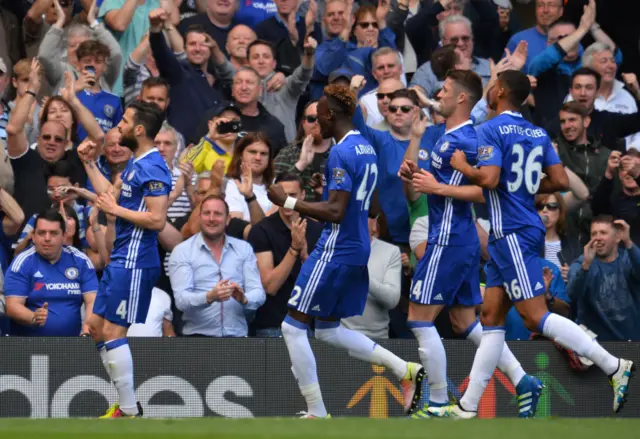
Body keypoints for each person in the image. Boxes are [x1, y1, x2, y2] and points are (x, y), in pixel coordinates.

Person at [427, 70, 634, 419]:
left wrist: (464, 165)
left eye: (493, 85)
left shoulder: (489, 129)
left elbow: (489, 179)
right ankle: (467, 407)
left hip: (513, 232)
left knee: (536, 317)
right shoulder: (537, 132)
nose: (488, 90)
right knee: (491, 317)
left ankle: (613, 365)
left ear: (502, 91)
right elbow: (557, 179)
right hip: (510, 231)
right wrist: (521, 187)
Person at [266, 83, 424, 419]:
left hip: (335, 249)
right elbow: (373, 204)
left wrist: (289, 201)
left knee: (292, 328)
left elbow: (337, 212)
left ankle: (317, 411)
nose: (315, 122)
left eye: (318, 114)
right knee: (327, 329)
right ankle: (404, 368)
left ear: (331, 114)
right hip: (357, 248)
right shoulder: (366, 147)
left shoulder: (340, 152)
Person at [403, 70, 539, 418]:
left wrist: (438, 188)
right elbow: (432, 185)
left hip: (448, 239)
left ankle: (435, 403)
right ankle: (523, 380)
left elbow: (485, 188)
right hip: (455, 238)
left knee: (419, 319)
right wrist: (417, 177)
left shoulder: (468, 139)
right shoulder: (446, 134)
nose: (440, 94)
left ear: (462, 98)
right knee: (466, 322)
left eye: (446, 90)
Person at [80, 101, 172, 418]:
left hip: (135, 261)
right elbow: (110, 196)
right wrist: (89, 164)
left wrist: (116, 212)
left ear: (139, 130)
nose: (118, 125)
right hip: (120, 258)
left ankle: (129, 411)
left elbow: (158, 220)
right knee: (93, 326)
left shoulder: (154, 167)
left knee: (113, 333)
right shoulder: (136, 162)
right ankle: (127, 406)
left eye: (124, 120)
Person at [168, 195, 266, 337]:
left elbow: (258, 292)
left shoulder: (244, 249)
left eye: (218, 214)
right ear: (200, 217)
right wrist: (209, 297)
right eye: (207, 213)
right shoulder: (182, 251)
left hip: (237, 336)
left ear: (228, 219)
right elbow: (181, 300)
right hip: (198, 338)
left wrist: (244, 299)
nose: (212, 219)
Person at [248, 174, 322, 337]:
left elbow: (323, 285)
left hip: (311, 325)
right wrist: (294, 250)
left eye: (292, 195)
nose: (286, 201)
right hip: (273, 325)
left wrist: (305, 258)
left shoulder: (318, 230)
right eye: (282, 196)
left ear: (303, 195)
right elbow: (270, 286)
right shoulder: (262, 230)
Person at [4, 209, 98, 336]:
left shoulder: (80, 260)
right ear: (33, 236)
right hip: (30, 346)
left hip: (71, 346)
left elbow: (92, 300)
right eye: (42, 233)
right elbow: (12, 306)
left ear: (64, 236)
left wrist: (87, 328)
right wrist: (33, 316)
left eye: (53, 233)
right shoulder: (22, 262)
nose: (47, 238)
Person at [567, 216, 640, 342]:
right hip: (596, 347)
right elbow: (572, 295)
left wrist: (628, 242)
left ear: (617, 238)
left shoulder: (629, 259)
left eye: (603, 233)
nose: (598, 237)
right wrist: (585, 266)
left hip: (632, 342)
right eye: (594, 233)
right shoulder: (581, 264)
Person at [341, 215, 401, 339]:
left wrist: (362, 274)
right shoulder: (336, 249)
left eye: (364, 214)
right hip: (339, 337)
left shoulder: (390, 251)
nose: (357, 217)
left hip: (377, 338)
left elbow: (392, 300)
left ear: (374, 222)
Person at [274, 100, 333, 201]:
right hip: (296, 215)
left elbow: (348, 195)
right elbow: (274, 192)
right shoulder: (287, 153)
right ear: (303, 123)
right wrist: (300, 165)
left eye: (322, 117)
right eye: (311, 118)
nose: (317, 122)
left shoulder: (342, 154)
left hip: (330, 215)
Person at [74, 39, 123, 140]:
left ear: (104, 66)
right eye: (87, 61)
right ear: (78, 65)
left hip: (101, 153)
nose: (93, 65)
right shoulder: (68, 93)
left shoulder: (114, 100)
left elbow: (118, 135)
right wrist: (73, 90)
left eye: (98, 61)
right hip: (72, 152)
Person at [592, 150, 640, 245]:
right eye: (624, 168)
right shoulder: (613, 201)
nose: (629, 172)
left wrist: (638, 176)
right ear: (619, 174)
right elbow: (597, 209)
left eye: (635, 167)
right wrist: (609, 173)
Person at [224, 132, 274, 223]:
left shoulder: (277, 184)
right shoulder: (231, 185)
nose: (258, 158)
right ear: (240, 155)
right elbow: (235, 226)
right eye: (252, 152)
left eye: (263, 153)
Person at [505, 0, 564, 74]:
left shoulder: (570, 40)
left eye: (551, 5)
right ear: (535, 10)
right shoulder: (518, 40)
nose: (545, 10)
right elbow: (502, 80)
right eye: (540, 5)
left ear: (561, 11)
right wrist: (524, 81)